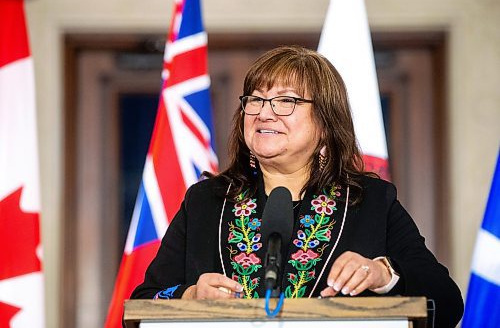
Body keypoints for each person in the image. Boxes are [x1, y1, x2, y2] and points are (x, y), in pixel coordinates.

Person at [131, 45, 464, 327]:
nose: (264, 113)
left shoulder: (370, 201)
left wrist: (382, 274)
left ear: (325, 123)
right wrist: (188, 296)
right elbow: (142, 304)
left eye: (286, 101)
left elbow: (447, 303)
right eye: (256, 100)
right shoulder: (206, 201)